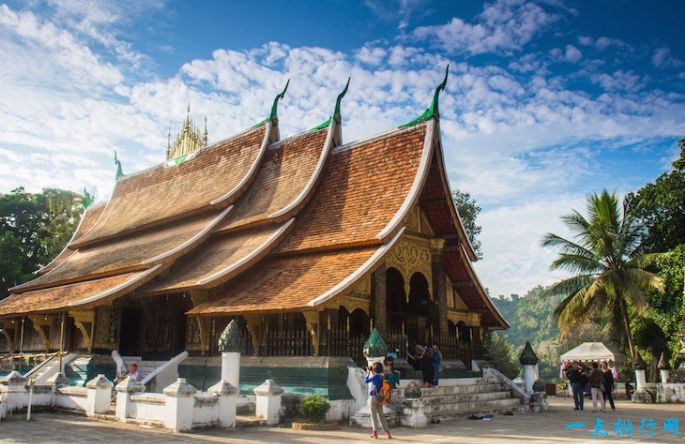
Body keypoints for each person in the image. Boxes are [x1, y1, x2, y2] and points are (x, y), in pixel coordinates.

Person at [365, 362, 391, 439]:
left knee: (373, 415)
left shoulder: (375, 376)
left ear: (374, 369)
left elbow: (366, 381)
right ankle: (387, 433)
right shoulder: (383, 376)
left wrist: (368, 373)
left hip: (373, 396)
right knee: (381, 415)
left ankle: (375, 432)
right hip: (381, 397)